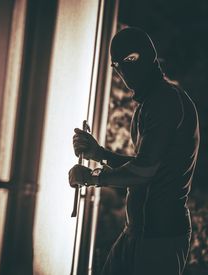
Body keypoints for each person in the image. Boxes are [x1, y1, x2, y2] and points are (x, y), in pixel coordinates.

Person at [68, 27, 200, 275]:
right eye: (117, 64)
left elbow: (143, 172)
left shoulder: (166, 101)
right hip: (137, 231)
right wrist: (100, 154)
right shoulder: (149, 104)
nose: (123, 71)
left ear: (149, 55)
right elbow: (146, 164)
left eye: (130, 60)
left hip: (161, 237)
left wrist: (93, 178)